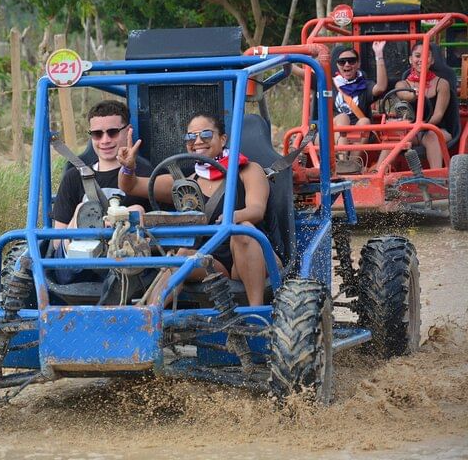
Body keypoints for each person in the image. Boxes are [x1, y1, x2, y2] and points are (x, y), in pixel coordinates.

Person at [117, 112, 280, 307]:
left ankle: (256, 312)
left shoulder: (247, 170)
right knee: (182, 256)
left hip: (251, 254)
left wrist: (232, 217)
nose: (198, 141)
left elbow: (256, 210)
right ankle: (149, 315)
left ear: (223, 139)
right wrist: (128, 168)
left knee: (242, 229)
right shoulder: (186, 183)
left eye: (206, 134)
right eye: (190, 137)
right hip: (214, 262)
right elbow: (131, 186)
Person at [51, 100, 152, 283]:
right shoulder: (74, 177)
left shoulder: (145, 175)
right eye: (97, 134)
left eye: (112, 132)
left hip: (128, 267)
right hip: (76, 268)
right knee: (82, 208)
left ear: (128, 131)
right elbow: (57, 240)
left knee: (136, 211)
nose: (105, 140)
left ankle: (119, 265)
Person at [293, 42, 387, 174]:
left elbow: (381, 87)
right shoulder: (327, 82)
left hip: (356, 136)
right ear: (337, 65)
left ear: (358, 64)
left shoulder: (364, 85)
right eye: (342, 62)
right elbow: (296, 71)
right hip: (329, 134)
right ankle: (341, 161)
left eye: (351, 61)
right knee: (343, 118)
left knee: (365, 121)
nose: (347, 64)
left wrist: (379, 55)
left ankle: (351, 166)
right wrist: (288, 55)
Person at [381, 42, 456, 169]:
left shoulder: (442, 84)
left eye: (426, 55)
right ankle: (377, 173)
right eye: (417, 56)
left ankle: (437, 175)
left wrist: (421, 127)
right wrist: (413, 96)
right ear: (411, 59)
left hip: (435, 129)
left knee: (432, 135)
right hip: (411, 131)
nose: (421, 59)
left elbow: (438, 115)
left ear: (432, 60)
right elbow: (403, 94)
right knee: (394, 136)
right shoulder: (402, 84)